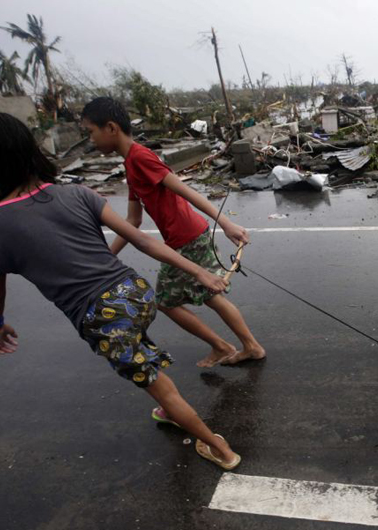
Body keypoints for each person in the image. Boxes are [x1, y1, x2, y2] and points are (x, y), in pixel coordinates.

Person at [0, 111, 240, 469]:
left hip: (102, 317)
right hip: (137, 293)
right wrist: (200, 274)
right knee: (135, 342)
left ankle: (219, 449)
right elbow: (142, 240)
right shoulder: (78, 193)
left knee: (159, 385)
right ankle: (176, 396)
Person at [81, 97, 265, 368]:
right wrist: (107, 256)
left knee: (168, 302)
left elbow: (183, 189)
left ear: (111, 128)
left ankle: (227, 346)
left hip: (187, 239)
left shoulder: (141, 157)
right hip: (187, 237)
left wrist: (225, 222)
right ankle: (245, 346)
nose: (91, 140)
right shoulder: (131, 164)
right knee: (210, 296)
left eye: (90, 132)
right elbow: (132, 221)